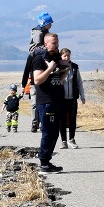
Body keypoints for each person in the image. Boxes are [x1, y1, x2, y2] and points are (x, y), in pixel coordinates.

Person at [32, 32, 68, 174]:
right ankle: (43, 163)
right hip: (46, 101)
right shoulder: (39, 58)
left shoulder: (55, 58)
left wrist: (66, 69)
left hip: (57, 100)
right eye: (54, 43)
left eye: (58, 43)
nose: (57, 45)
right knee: (48, 132)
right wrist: (50, 68)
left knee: (54, 133)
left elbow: (58, 80)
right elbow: (37, 80)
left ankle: (47, 162)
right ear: (46, 43)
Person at [22, 12, 54, 132]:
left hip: (45, 71)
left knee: (43, 101)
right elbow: (34, 50)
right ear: (44, 23)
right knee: (35, 101)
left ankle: (42, 122)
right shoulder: (38, 33)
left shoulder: (47, 33)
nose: (51, 25)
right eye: (49, 23)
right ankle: (35, 123)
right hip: (37, 72)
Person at [58, 48, 86, 149]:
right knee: (62, 119)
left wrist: (82, 96)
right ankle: (64, 141)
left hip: (73, 98)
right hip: (62, 98)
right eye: (64, 56)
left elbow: (79, 82)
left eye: (68, 56)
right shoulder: (58, 67)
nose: (66, 57)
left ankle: (72, 139)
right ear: (61, 56)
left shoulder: (74, 67)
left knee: (73, 119)